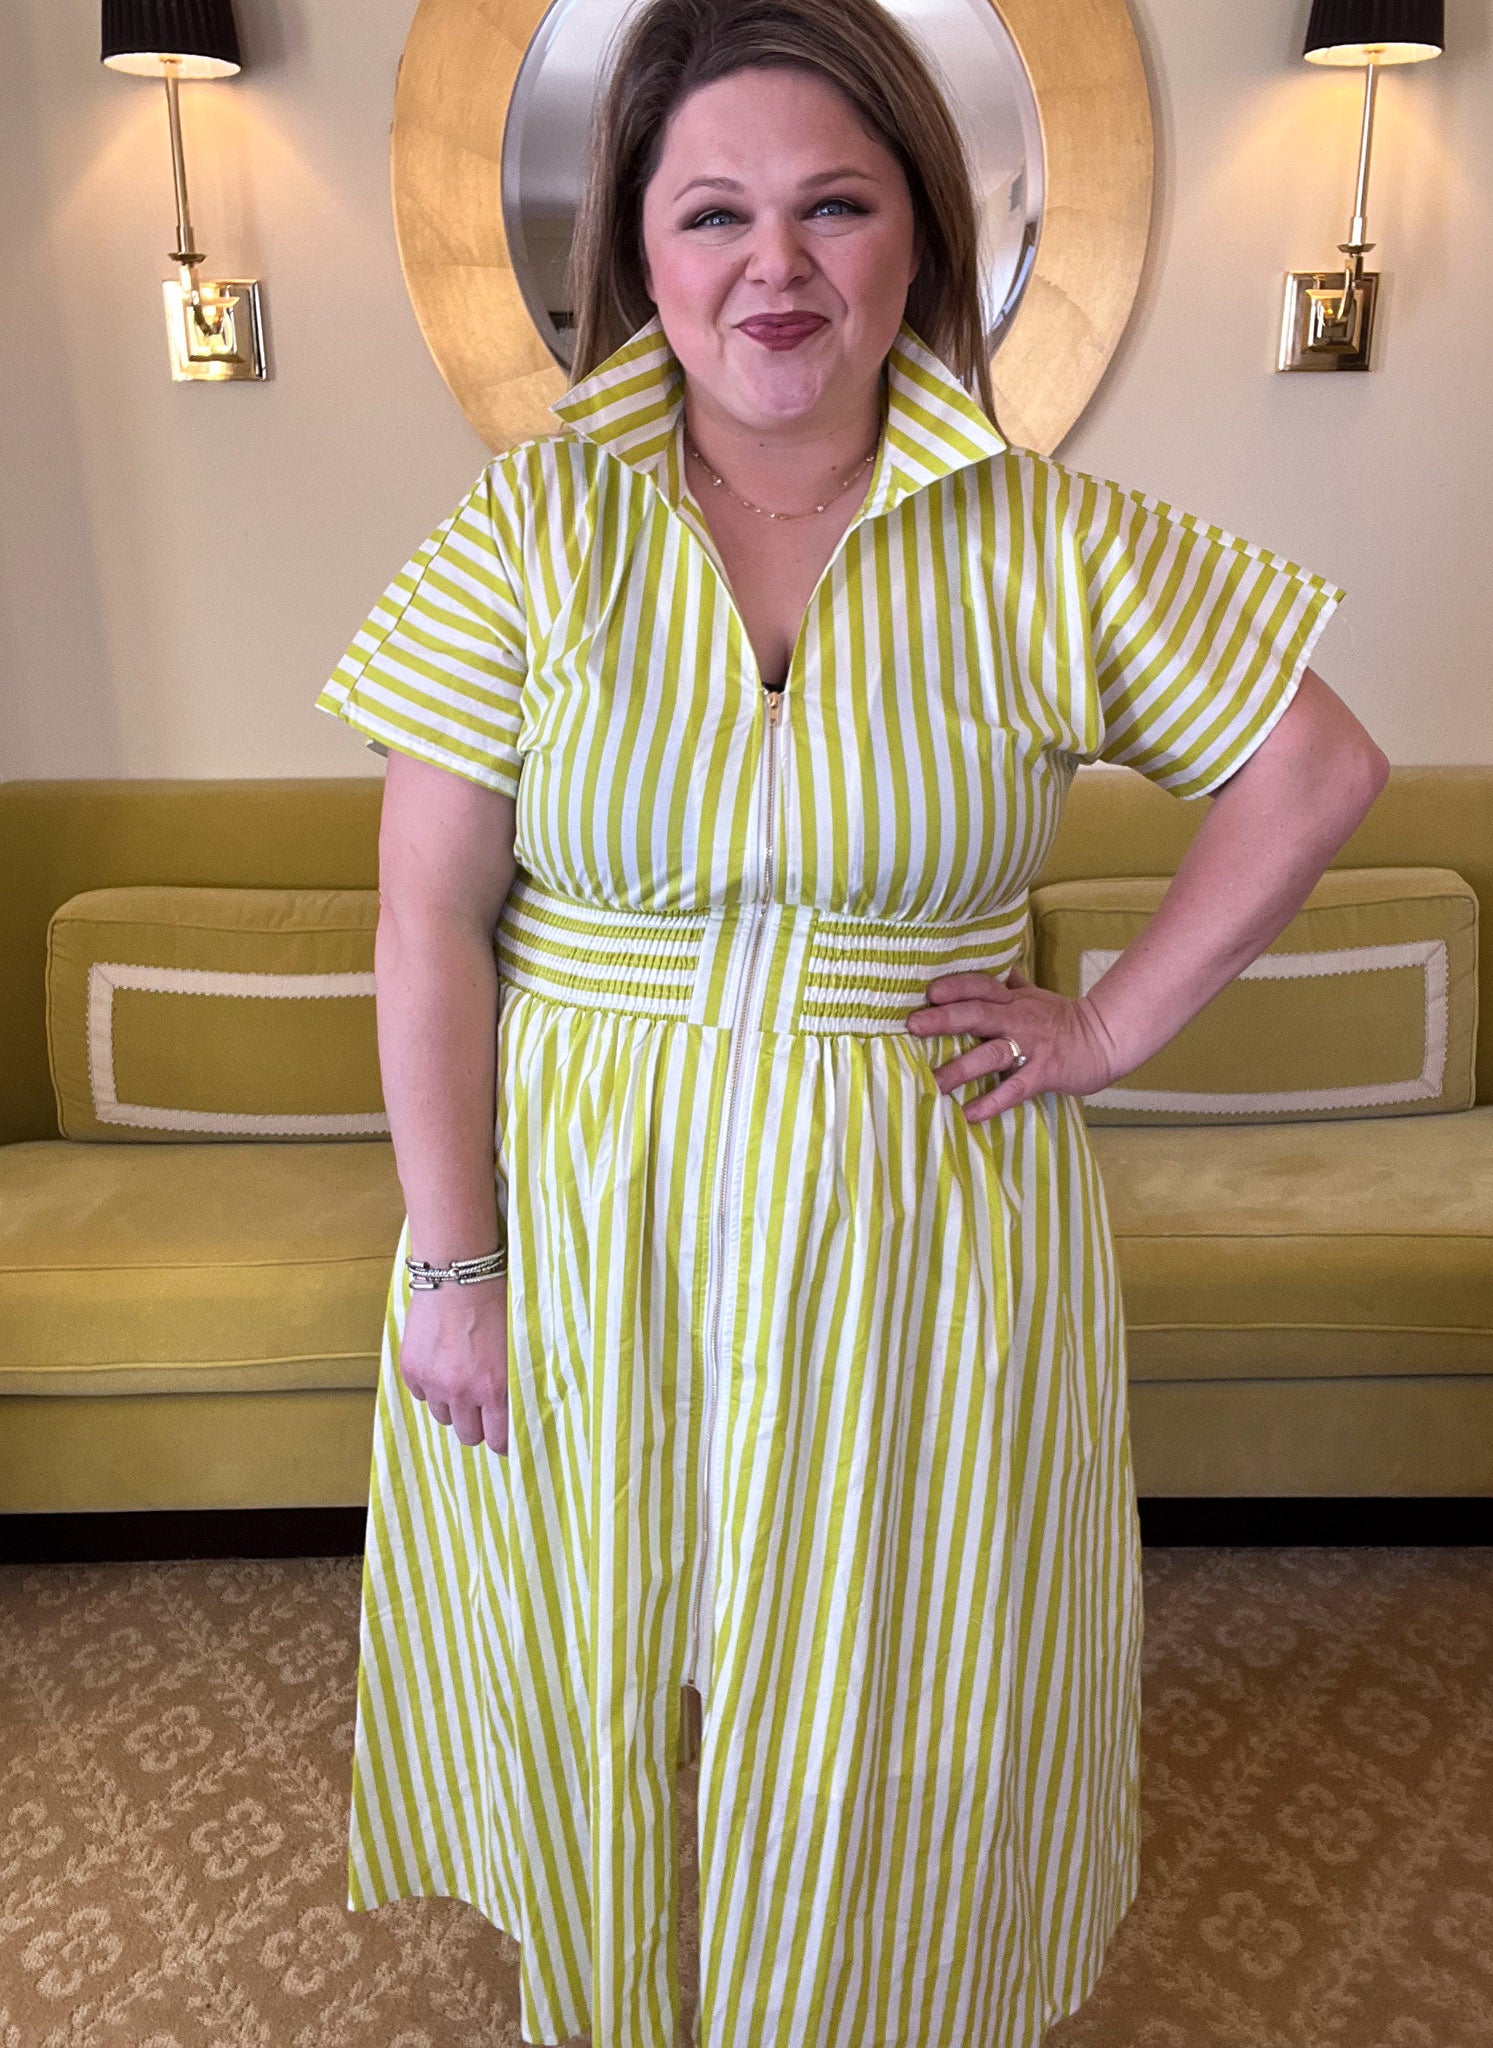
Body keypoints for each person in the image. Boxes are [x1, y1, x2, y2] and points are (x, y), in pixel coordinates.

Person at [314, 1, 1387, 2042]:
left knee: (896, 1671)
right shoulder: (532, 532)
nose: (775, 267)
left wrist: (1108, 1029)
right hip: (587, 1214)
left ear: (923, 237)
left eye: (837, 205)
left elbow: (1318, 769)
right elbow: (426, 917)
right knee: (589, 1653)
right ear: (642, 250)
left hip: (918, 1224)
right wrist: (455, 1265)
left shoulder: (1052, 539)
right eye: (712, 213)